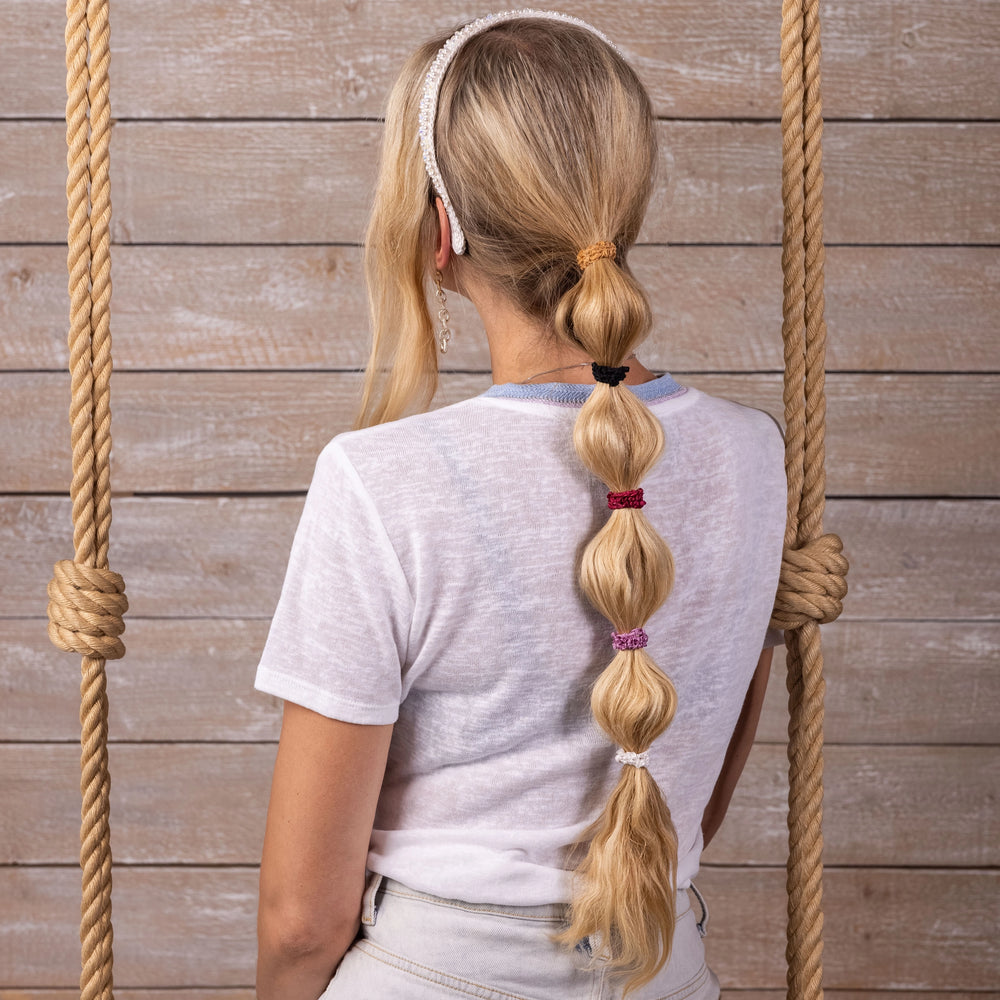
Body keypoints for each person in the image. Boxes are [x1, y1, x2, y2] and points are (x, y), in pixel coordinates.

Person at [254, 9, 786, 1000]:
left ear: (441, 228)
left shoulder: (380, 482)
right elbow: (689, 811)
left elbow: (302, 921)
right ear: (620, 205)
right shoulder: (754, 458)